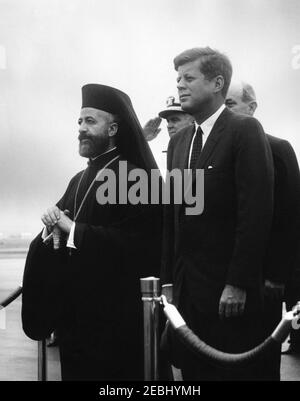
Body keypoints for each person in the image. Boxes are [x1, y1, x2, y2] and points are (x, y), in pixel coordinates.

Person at [22, 84, 162, 381]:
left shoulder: (136, 176)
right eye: (79, 122)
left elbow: (144, 246)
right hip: (76, 322)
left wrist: (74, 230)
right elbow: (57, 233)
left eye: (90, 121)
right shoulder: (79, 178)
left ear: (113, 128)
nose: (81, 129)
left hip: (117, 322)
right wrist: (51, 231)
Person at [161, 47, 274, 381]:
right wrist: (169, 282)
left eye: (189, 78)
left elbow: (255, 213)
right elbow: (173, 218)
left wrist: (237, 283)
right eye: (178, 78)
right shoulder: (180, 143)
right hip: (187, 296)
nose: (180, 85)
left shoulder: (244, 132)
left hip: (229, 296)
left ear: (217, 83)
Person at [226, 81, 300, 378]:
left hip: (262, 282)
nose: (224, 112)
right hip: (220, 276)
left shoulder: (277, 148)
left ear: (251, 107)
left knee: (258, 362)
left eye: (230, 105)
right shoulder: (213, 151)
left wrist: (276, 275)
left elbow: (291, 217)